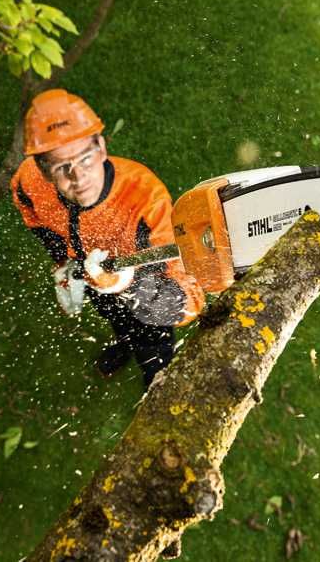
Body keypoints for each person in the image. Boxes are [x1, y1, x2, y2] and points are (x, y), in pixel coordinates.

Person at [10, 88, 204, 388]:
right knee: (116, 320)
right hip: (93, 283)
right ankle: (124, 344)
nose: (79, 177)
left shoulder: (145, 198)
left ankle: (155, 381)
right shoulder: (28, 182)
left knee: (153, 348)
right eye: (63, 167)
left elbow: (188, 301)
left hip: (148, 299)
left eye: (85, 158)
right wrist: (62, 264)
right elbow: (36, 220)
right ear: (44, 171)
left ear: (101, 147)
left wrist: (126, 283)